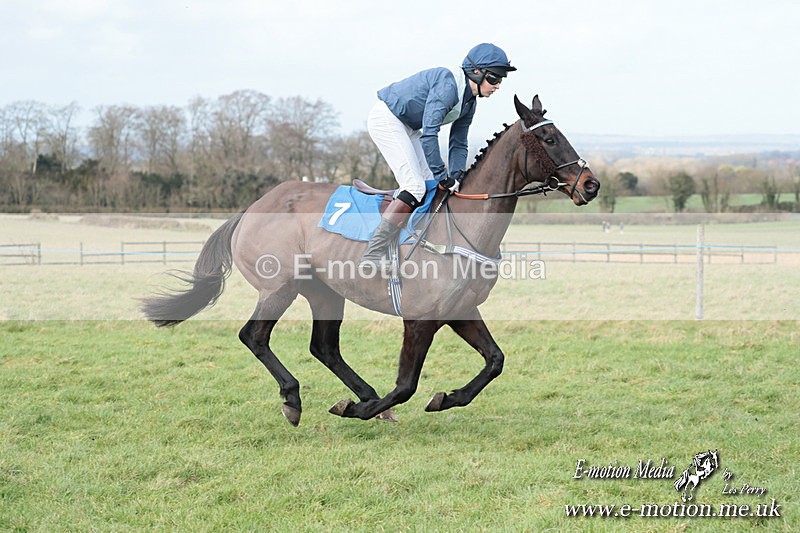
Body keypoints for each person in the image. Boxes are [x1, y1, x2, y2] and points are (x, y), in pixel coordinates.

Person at [360, 43, 516, 268]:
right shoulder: (448, 86)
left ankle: (414, 242)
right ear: (476, 72)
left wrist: (458, 176)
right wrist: (443, 175)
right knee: (415, 187)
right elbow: (430, 134)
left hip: (408, 127)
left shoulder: (469, 102)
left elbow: (458, 142)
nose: (498, 85)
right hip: (388, 120)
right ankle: (373, 254)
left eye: (501, 79)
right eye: (494, 78)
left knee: (430, 186)